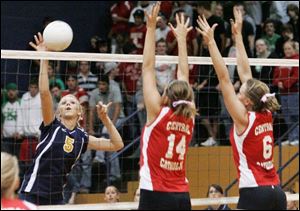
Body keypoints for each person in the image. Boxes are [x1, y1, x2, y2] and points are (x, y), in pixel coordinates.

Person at [196, 6, 287, 210]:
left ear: (247, 102)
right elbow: (246, 72)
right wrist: (238, 36)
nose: (237, 92)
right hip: (277, 191)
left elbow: (224, 79)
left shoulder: (243, 118)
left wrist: (211, 42)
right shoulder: (266, 113)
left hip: (254, 193)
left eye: (240, 93)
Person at [18, 33, 124, 205]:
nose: (67, 103)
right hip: (33, 192)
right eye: (64, 102)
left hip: (56, 197)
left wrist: (105, 119)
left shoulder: (82, 138)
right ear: (58, 111)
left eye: (72, 102)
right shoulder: (51, 126)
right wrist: (43, 58)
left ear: (79, 112)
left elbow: (117, 145)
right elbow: (45, 94)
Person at [139, 2, 197, 210]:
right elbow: (184, 75)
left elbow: (147, 68)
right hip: (182, 195)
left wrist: (151, 29)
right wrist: (182, 39)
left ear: (165, 96)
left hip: (156, 193)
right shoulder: (189, 115)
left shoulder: (157, 112)